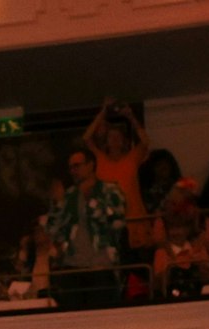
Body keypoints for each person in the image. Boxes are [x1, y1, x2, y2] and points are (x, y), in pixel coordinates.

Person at [47, 145, 125, 302]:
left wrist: (92, 203)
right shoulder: (68, 196)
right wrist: (58, 203)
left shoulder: (110, 190)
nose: (73, 171)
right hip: (72, 267)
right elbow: (52, 230)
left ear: (91, 165)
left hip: (101, 265)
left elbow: (117, 222)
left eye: (77, 166)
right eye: (70, 168)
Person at [85, 101, 151, 248]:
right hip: (109, 216)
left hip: (134, 215)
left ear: (124, 141)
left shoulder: (132, 158)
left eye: (118, 137)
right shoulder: (101, 158)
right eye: (111, 137)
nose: (115, 140)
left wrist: (131, 117)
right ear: (106, 142)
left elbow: (145, 142)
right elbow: (87, 139)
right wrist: (102, 113)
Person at [151, 203, 209, 299]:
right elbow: (159, 284)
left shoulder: (199, 249)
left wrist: (197, 264)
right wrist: (173, 264)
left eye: (180, 228)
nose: (176, 232)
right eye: (172, 228)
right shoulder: (161, 252)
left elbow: (208, 278)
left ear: (188, 229)